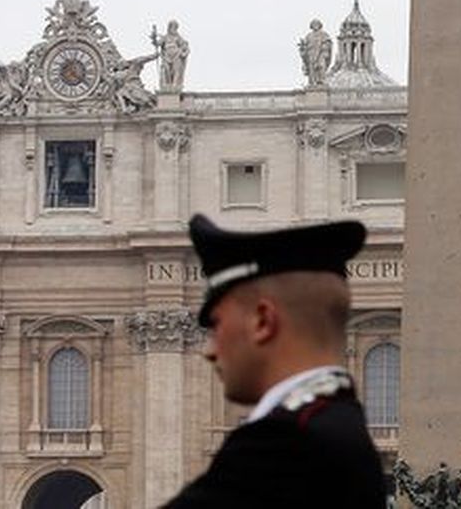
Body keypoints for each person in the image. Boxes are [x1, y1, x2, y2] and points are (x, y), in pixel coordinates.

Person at [162, 214, 384, 508]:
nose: (209, 350)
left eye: (216, 325)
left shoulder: (286, 442)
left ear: (263, 321)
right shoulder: (334, 424)